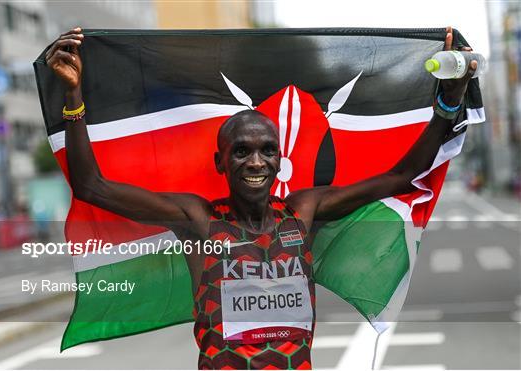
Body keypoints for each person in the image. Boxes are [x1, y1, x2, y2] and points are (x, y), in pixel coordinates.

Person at [47, 26, 476, 370]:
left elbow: (402, 176)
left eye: (267, 150)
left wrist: (447, 104)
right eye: (242, 151)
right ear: (221, 162)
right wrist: (73, 97)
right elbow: (91, 187)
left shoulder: (303, 212)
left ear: (279, 159)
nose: (256, 162)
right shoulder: (197, 220)